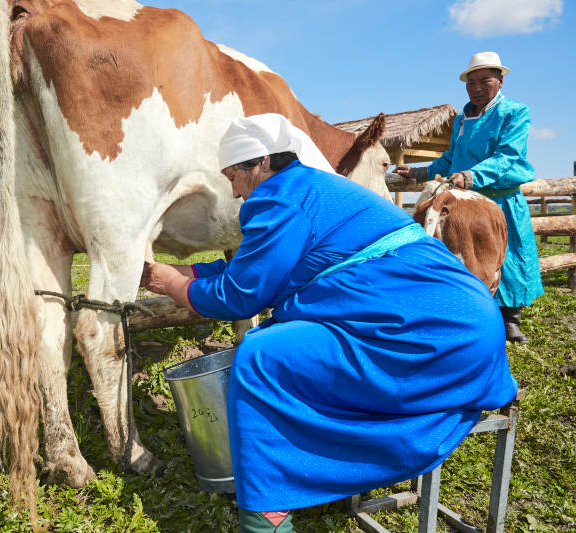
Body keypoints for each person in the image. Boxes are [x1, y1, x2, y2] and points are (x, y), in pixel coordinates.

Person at [141, 113, 518, 533]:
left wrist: (171, 283)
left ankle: (267, 514)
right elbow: (256, 268)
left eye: (234, 175)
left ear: (262, 163)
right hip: (466, 328)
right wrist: (186, 273)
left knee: (259, 358)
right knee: (286, 347)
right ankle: (310, 469)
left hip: (430, 336)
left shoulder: (277, 198)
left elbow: (241, 294)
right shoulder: (309, 189)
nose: (233, 189)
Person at [394, 51, 543, 343]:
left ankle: (511, 320)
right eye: (470, 82)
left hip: (499, 198)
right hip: (466, 202)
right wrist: (420, 172)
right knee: (465, 255)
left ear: (499, 81)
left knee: (507, 256)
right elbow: (451, 159)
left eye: (483, 80)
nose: (475, 88)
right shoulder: (463, 118)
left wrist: (471, 176)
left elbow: (508, 156)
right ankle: (471, 312)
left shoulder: (514, 112)